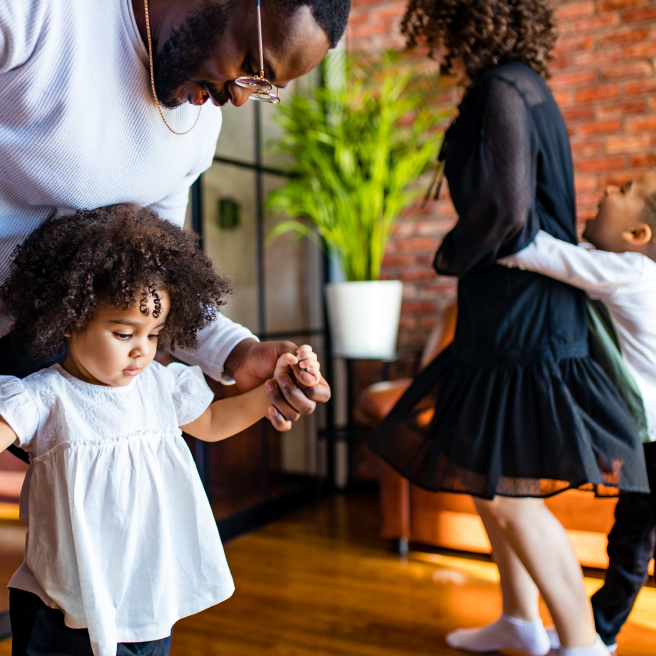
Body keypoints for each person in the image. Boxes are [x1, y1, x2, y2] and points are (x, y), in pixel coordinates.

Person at [368, 2, 649, 655]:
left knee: (508, 495)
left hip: (524, 322)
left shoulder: (504, 87)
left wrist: (449, 256)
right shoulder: (517, 84)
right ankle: (522, 620)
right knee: (486, 481)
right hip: (504, 316)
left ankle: (580, 643)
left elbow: (508, 211)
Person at [0, 0, 351, 442]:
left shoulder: (199, 128)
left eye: (262, 86)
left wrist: (237, 354)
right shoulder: (40, 14)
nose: (240, 96)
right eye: (250, 63)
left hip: (48, 344)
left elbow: (152, 277)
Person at [0, 205, 322, 656]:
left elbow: (210, 423)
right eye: (124, 333)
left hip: (147, 601)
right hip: (65, 609)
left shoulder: (157, 385)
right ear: (69, 320)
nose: (141, 352)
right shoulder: (43, 396)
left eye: (153, 335)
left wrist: (274, 391)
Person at [500, 171, 656, 654]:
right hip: (647, 436)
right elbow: (575, 261)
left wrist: (491, 229)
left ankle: (600, 634)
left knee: (632, 541)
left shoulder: (631, 272)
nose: (608, 187)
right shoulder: (624, 269)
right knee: (631, 538)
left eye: (624, 190)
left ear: (637, 236)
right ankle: (600, 630)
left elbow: (532, 252)